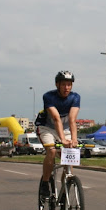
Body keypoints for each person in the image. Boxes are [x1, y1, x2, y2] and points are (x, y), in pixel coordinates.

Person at [36, 71, 80, 201]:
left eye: (69, 85)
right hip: (47, 127)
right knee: (52, 150)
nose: (66, 87)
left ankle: (64, 191)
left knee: (69, 155)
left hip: (64, 128)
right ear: (57, 85)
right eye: (64, 84)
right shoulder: (49, 97)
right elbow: (56, 119)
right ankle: (45, 183)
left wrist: (74, 139)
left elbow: (72, 120)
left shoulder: (75, 97)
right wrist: (63, 140)